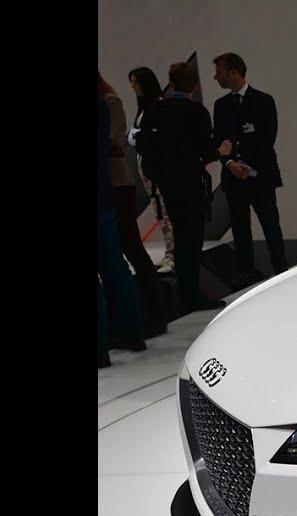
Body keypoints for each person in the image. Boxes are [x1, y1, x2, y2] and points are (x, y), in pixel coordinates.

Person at [137, 62, 224, 314]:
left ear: (171, 83)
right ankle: (191, 293)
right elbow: (205, 150)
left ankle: (186, 291)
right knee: (192, 239)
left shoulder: (154, 111)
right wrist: (221, 151)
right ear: (194, 86)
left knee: (181, 236)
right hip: (190, 184)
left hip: (168, 185)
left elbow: (144, 148)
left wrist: (158, 176)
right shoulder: (197, 112)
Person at [212, 52, 288, 289]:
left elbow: (267, 138)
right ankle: (246, 273)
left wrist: (243, 161)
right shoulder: (221, 106)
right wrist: (230, 164)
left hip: (260, 175)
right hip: (233, 176)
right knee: (240, 227)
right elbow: (219, 141)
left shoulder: (264, 101)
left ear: (234, 72)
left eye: (219, 72)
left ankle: (282, 270)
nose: (216, 77)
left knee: (270, 224)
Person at [100, 71, 166, 338]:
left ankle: (154, 312)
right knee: (114, 255)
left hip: (117, 185)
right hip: (108, 185)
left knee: (130, 248)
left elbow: (113, 142)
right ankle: (125, 318)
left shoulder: (110, 101)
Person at [99, 95, 145, 367]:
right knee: (116, 268)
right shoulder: (102, 106)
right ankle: (133, 332)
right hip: (104, 197)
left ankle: (100, 349)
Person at [127, 66, 177, 276]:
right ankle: (170, 253)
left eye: (136, 82)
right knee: (159, 209)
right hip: (147, 167)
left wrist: (138, 136)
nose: (133, 86)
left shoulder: (157, 107)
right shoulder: (146, 107)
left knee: (164, 210)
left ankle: (173, 255)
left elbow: (153, 138)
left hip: (156, 168)